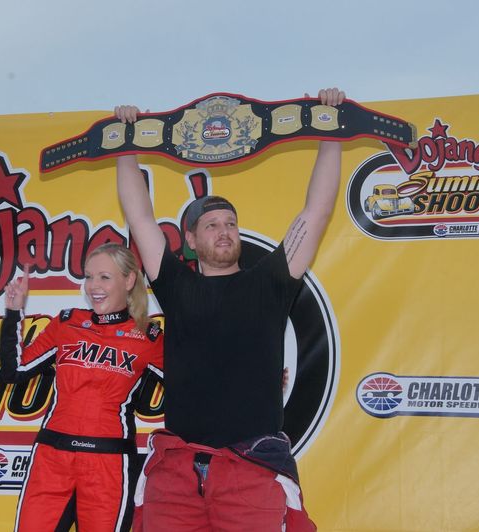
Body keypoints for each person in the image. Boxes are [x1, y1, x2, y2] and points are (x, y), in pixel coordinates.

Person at [114, 87, 345, 531]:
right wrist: (125, 142)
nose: (225, 231)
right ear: (192, 240)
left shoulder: (270, 281)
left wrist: (331, 128)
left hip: (251, 471)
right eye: (212, 225)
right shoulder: (176, 284)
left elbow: (316, 212)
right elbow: (139, 216)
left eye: (231, 223)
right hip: (177, 474)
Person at [0, 243, 164, 532]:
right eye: (89, 277)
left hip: (108, 464)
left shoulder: (149, 337)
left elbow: (191, 386)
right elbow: (16, 371)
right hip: (51, 458)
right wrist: (14, 312)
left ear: (128, 281)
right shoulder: (66, 323)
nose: (93, 286)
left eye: (104, 277)